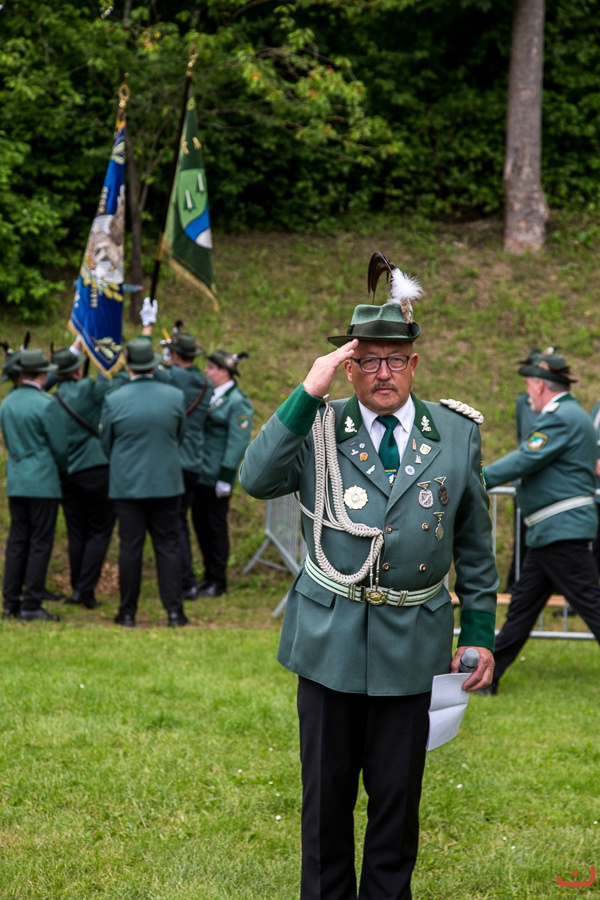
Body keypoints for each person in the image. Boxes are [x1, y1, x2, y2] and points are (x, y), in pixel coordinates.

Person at [239, 251, 497, 900]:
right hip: (329, 643)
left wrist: (479, 633)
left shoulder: (456, 434)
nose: (384, 373)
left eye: (396, 360)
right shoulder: (320, 425)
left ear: (415, 363)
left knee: (395, 809)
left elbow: (474, 545)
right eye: (369, 360)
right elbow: (256, 478)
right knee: (325, 807)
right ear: (348, 366)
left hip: (412, 646)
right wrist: (308, 391)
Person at [483, 352, 600, 694]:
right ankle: (488, 678)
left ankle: (487, 678)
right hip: (551, 530)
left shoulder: (560, 417)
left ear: (539, 385)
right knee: (522, 608)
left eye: (528, 387)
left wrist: (476, 477)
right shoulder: (570, 413)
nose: (527, 395)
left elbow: (526, 458)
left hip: (561, 529)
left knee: (592, 606)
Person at [100, 338, 188, 627]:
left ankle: (127, 613)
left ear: (129, 366)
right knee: (168, 546)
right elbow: (179, 435)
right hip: (166, 482)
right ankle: (175, 613)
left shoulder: (114, 398)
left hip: (127, 485)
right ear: (152, 364)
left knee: (130, 547)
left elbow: (106, 442)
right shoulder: (174, 396)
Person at [139, 298, 214, 600]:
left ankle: (184, 583)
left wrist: (147, 328)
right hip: (193, 461)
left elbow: (144, 362)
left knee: (173, 526)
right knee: (179, 524)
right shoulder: (204, 382)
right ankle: (186, 580)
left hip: (174, 462)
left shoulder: (173, 377)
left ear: (175, 355)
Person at [52, 344, 128, 609]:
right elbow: (119, 385)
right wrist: (109, 361)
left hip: (67, 474)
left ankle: (78, 587)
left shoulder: (52, 398)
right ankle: (84, 591)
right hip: (96, 470)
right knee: (100, 531)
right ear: (77, 370)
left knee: (76, 533)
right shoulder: (87, 388)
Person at [0, 348, 68, 621]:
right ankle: (31, 603)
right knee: (40, 542)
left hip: (17, 478)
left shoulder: (7, 403)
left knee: (17, 540)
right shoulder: (46, 403)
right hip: (42, 480)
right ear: (42, 373)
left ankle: (10, 602)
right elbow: (60, 448)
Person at [191, 348, 253, 598]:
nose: (206, 371)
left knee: (215, 528)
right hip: (200, 472)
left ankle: (218, 580)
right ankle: (207, 576)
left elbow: (237, 442)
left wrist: (226, 477)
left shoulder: (237, 401)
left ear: (224, 372)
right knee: (201, 526)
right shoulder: (210, 395)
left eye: (211, 368)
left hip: (217, 475)